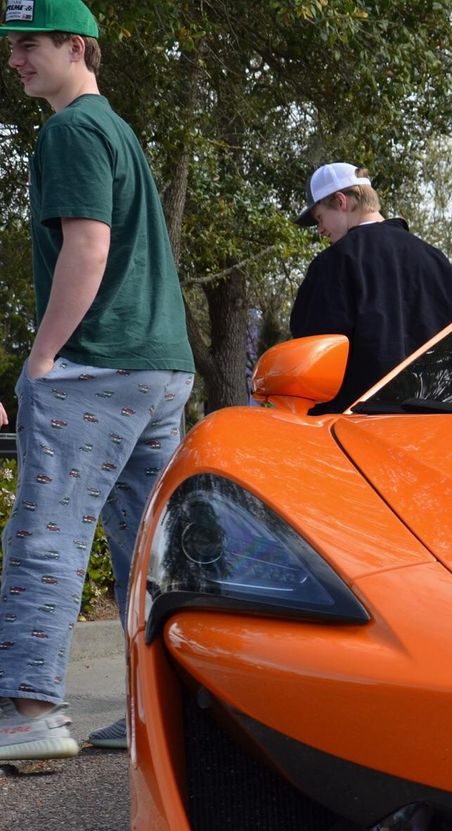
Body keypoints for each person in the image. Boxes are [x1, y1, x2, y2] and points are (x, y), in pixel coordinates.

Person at [0, 0, 194, 760]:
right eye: (11, 47)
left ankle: (29, 714)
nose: (15, 60)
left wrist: (42, 357)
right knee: (144, 549)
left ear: (76, 47)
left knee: (46, 534)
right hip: (157, 365)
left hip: (97, 364)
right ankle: (168, 717)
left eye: (29, 45)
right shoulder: (114, 129)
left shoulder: (71, 130)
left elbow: (88, 247)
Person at [289, 163, 452, 414]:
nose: (320, 230)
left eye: (319, 218)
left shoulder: (333, 264)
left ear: (342, 201)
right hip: (436, 432)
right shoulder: (436, 261)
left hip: (352, 434)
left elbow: (308, 360)